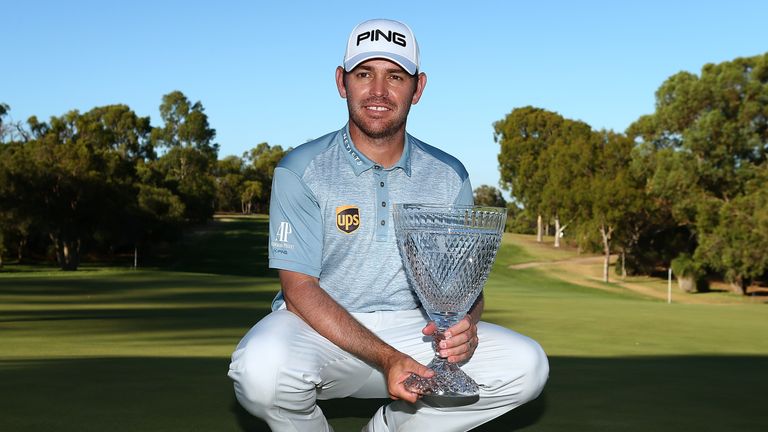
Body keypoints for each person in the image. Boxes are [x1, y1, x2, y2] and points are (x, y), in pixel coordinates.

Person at [228, 18, 549, 432]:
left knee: (528, 366)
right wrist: (386, 357)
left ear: (418, 88)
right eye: (365, 74)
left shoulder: (450, 175)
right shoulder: (301, 169)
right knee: (260, 372)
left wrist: (465, 323)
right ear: (342, 82)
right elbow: (299, 290)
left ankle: (390, 427)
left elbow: (464, 288)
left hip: (417, 331)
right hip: (320, 331)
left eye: (395, 76)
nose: (378, 92)